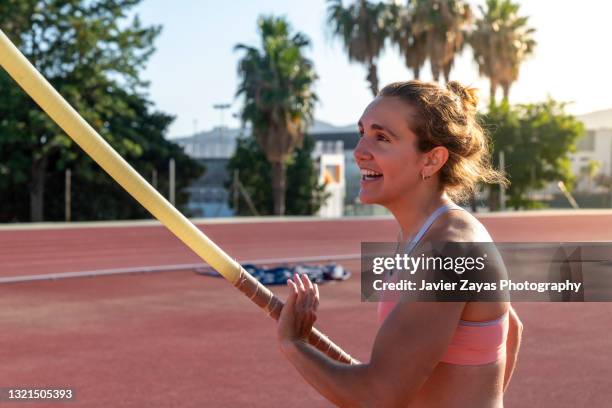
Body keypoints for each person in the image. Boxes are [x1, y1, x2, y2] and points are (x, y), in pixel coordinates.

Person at [276, 80, 523, 407]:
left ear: (431, 160)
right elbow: (512, 329)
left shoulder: (447, 250)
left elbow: (376, 396)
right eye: (362, 132)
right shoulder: (427, 233)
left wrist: (294, 344)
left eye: (382, 137)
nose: (359, 151)